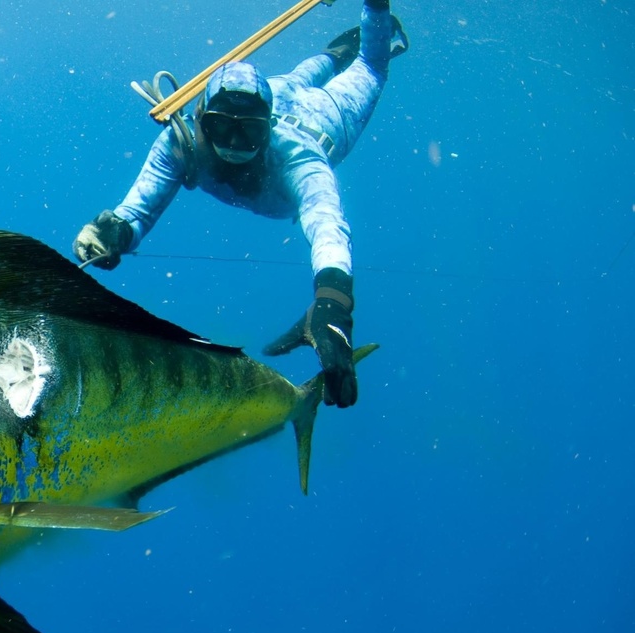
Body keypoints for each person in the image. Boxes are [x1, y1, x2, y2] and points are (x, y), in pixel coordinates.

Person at [73, 0, 408, 408]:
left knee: (371, 66)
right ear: (202, 118)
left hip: (323, 115)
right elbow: (136, 212)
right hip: (279, 88)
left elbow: (328, 224)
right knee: (304, 73)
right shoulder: (183, 146)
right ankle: (335, 53)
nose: (233, 144)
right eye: (221, 127)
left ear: (265, 129)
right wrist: (113, 232)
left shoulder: (300, 161)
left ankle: (374, 17)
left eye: (247, 131)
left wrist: (333, 307)